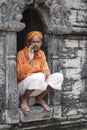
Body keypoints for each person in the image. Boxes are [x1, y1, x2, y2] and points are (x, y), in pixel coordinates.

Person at [17, 31, 63, 112]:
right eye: (33, 42)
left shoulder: (41, 54)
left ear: (41, 43)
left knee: (58, 76)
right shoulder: (21, 54)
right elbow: (19, 75)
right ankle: (24, 100)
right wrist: (29, 60)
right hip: (23, 87)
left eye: (38, 42)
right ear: (28, 43)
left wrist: (46, 73)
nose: (36, 44)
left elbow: (46, 69)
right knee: (39, 76)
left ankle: (40, 98)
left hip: (38, 85)